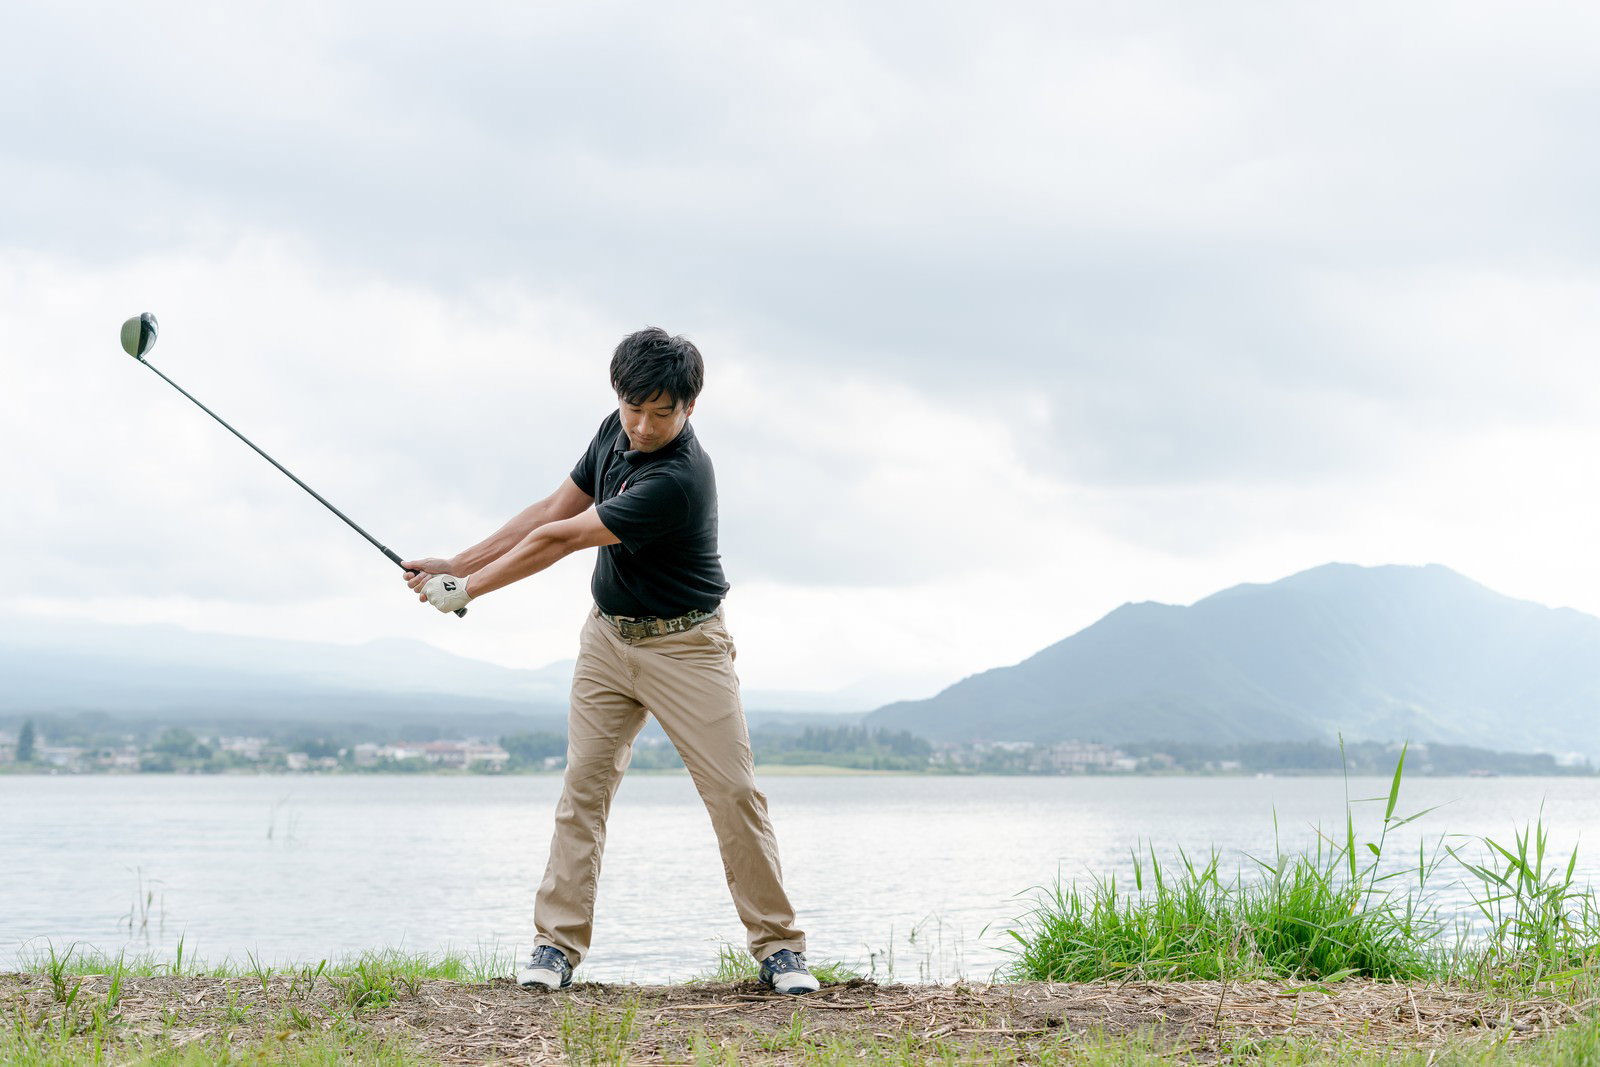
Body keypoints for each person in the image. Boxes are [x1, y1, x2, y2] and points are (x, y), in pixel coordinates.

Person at [404, 327, 818, 995]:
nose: (644, 425)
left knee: (735, 793)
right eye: (634, 406)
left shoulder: (678, 478)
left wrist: (467, 590)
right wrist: (457, 562)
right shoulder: (612, 432)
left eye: (663, 411)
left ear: (689, 409)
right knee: (583, 792)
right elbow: (549, 508)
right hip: (607, 641)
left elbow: (563, 537)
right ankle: (554, 948)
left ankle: (779, 949)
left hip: (688, 648)